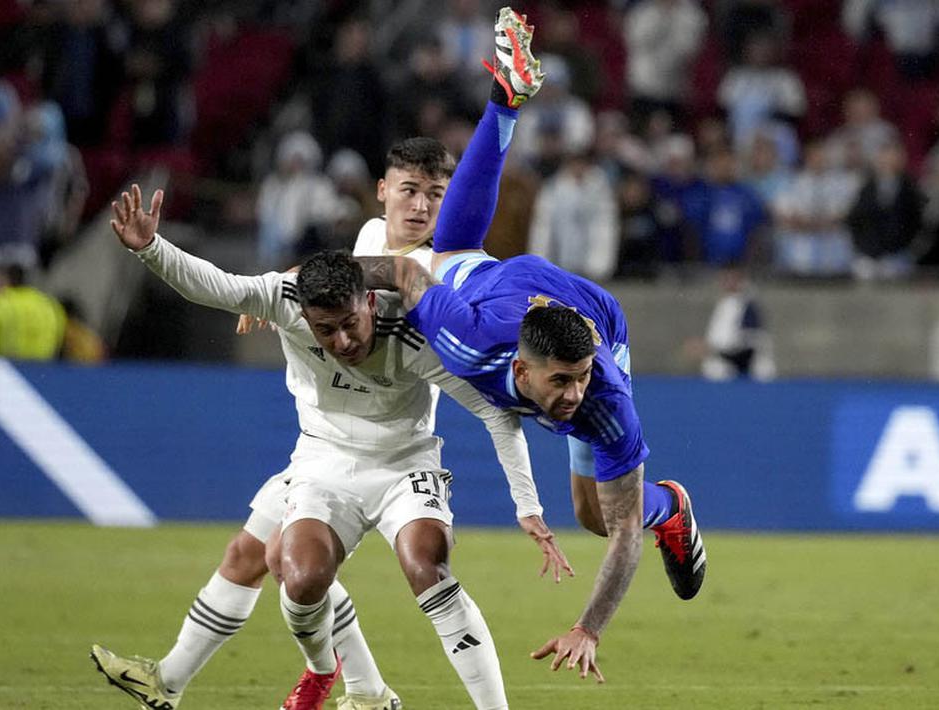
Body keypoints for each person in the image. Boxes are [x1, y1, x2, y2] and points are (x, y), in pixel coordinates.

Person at [93, 195, 568, 708]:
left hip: (404, 464)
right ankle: (347, 682)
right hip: (322, 461)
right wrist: (150, 249)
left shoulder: (415, 332)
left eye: (349, 323)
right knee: (297, 577)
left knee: (425, 562)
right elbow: (218, 287)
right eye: (325, 330)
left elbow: (495, 411)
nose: (341, 341)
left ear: (369, 300)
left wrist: (528, 504)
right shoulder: (285, 300)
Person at [353, 8, 706, 683]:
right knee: (451, 250)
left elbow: (625, 531)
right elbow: (402, 271)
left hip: (593, 312)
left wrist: (587, 627)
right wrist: (294, 281)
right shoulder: (472, 343)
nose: (572, 396)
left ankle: (675, 505)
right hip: (503, 287)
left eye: (578, 381)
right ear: (519, 368)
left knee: (599, 516)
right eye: (560, 384)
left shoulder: (603, 398)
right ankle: (505, 101)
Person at [0, 264, 67, 360]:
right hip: (43, 369)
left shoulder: (2, 302)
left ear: (5, 280)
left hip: (9, 368)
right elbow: (61, 341)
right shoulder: (48, 304)